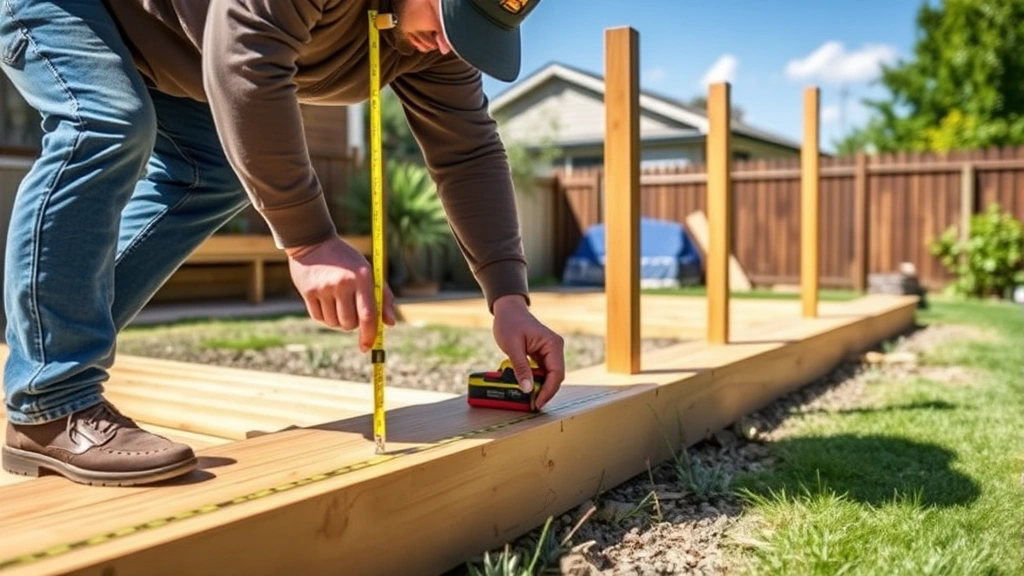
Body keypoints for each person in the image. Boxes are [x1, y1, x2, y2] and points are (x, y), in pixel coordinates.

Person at [0, 0, 565, 487]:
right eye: (450, 17)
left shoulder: (433, 47)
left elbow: (466, 153)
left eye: (472, 30)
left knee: (213, 171)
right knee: (108, 123)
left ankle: (45, 343)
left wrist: (509, 299)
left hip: (161, 39)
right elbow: (244, 57)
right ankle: (51, 400)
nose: (447, 44)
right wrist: (311, 241)